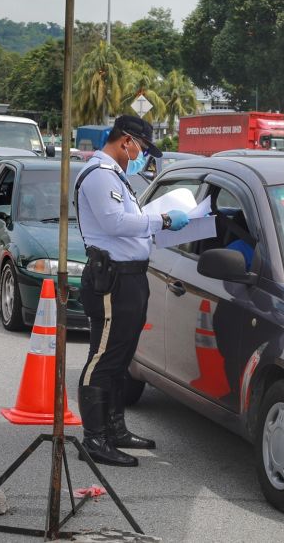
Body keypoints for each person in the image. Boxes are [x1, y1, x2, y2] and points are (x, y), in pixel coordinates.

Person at [74, 115, 189, 467]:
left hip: (130, 278)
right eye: (141, 148)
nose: (142, 156)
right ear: (126, 142)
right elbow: (115, 222)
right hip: (112, 280)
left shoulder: (117, 176)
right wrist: (164, 220)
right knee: (103, 358)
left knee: (121, 358)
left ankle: (115, 429)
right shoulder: (99, 176)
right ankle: (95, 439)